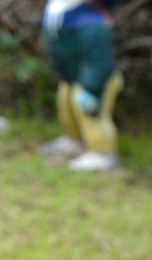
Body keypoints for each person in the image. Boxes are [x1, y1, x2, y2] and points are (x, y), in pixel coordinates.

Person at [41, 0, 125, 171]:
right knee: (66, 103)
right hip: (72, 76)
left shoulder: (91, 21)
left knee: (90, 113)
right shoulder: (60, 11)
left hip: (95, 81)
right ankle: (73, 141)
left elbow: (99, 60)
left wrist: (92, 88)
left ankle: (103, 153)